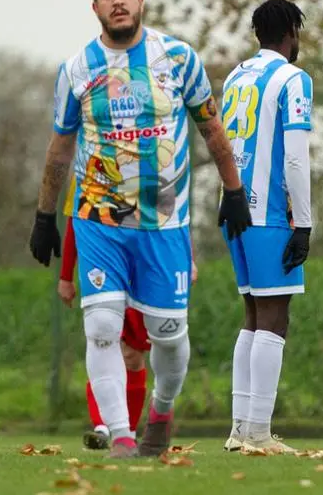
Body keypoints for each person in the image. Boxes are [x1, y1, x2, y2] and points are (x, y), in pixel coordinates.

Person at [28, 0, 252, 459]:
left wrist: (233, 191)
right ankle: (120, 435)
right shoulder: (77, 70)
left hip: (164, 225)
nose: (118, 0)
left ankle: (163, 407)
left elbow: (211, 128)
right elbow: (59, 148)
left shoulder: (177, 58)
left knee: (168, 340)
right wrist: (45, 216)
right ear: (95, 8)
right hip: (99, 221)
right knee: (102, 327)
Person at [220, 0, 313, 455]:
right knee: (275, 318)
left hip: (233, 210)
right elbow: (295, 156)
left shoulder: (237, 75)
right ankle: (257, 432)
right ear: (291, 33)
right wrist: (305, 223)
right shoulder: (293, 79)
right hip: (270, 214)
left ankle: (241, 428)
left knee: (253, 317)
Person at [57, 175, 199, 450]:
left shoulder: (155, 162)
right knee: (104, 336)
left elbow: (173, 215)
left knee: (134, 356)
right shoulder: (87, 170)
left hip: (148, 268)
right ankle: (106, 427)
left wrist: (187, 259)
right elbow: (76, 223)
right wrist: (66, 276)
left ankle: (131, 430)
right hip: (108, 264)